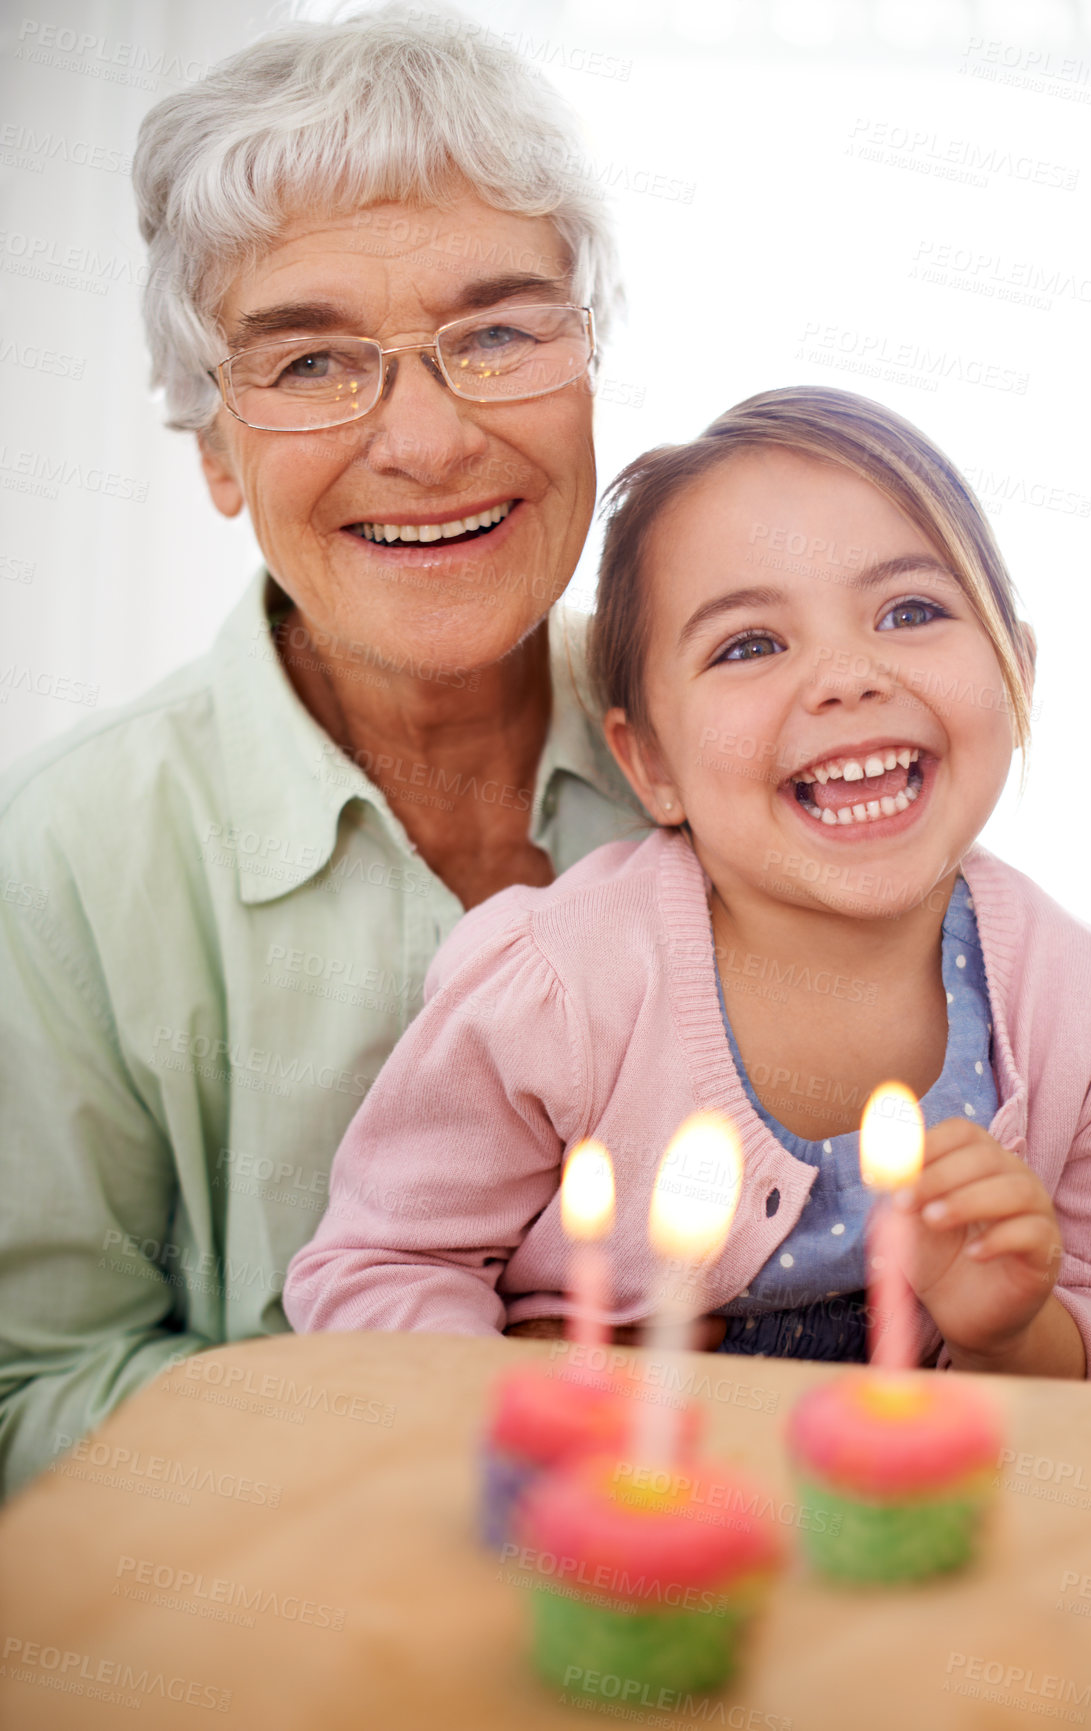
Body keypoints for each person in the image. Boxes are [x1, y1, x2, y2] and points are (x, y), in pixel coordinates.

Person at [0, 11, 645, 1499]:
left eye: (496, 331)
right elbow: (28, 1395)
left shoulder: (735, 742)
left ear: (589, 365)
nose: (422, 441)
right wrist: (467, 1429)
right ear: (214, 449)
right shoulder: (61, 861)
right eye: (309, 362)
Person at [284, 386, 1091, 1381]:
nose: (848, 675)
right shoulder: (560, 989)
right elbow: (378, 1266)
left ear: (1016, 675)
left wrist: (1018, 1335)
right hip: (591, 1510)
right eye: (750, 644)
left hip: (913, 1523)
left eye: (910, 611)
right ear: (649, 762)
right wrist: (528, 1398)